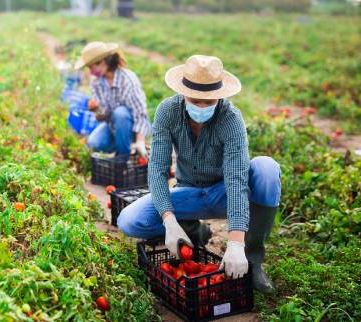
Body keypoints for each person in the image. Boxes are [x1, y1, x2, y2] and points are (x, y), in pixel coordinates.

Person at [117, 55, 281, 293]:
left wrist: (235, 243)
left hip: (224, 193)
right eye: (196, 100)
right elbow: (158, 169)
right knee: (130, 220)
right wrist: (169, 220)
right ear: (183, 93)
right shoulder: (168, 112)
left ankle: (252, 260)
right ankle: (192, 229)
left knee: (266, 168)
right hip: (189, 192)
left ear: (220, 95)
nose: (202, 107)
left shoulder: (231, 119)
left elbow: (236, 180)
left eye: (209, 101)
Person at [75, 42, 151, 159]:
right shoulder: (96, 82)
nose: (91, 72)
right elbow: (104, 116)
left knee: (120, 112)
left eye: (92, 67)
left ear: (104, 61)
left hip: (132, 127)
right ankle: (125, 147)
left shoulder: (127, 80)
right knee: (94, 143)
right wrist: (96, 110)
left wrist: (140, 141)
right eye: (89, 68)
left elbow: (140, 114)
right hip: (112, 126)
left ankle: (124, 157)